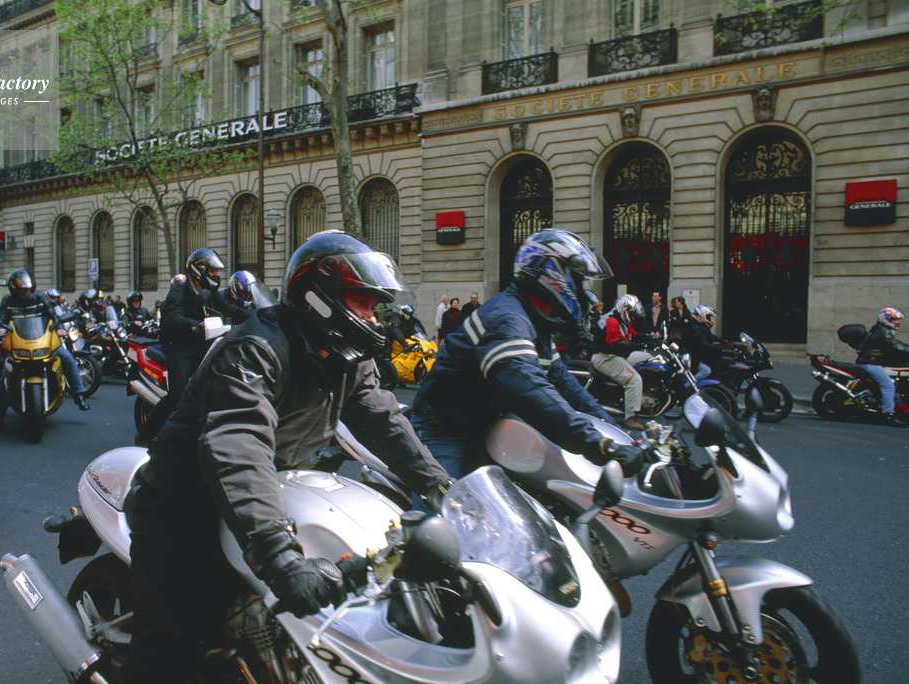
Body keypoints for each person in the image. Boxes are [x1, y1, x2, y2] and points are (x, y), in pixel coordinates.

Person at [123, 230, 451, 683]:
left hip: (259, 496)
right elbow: (238, 442)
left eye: (374, 305)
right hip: (182, 506)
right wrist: (280, 558)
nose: (372, 316)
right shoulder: (257, 348)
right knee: (167, 656)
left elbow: (384, 419)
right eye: (361, 301)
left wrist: (442, 489)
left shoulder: (347, 358)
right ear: (317, 298)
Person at [411, 229, 640, 488]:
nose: (584, 290)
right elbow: (530, 390)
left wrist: (619, 437)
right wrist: (599, 445)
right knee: (448, 506)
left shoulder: (535, 321)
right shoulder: (508, 318)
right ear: (551, 273)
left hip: (486, 426)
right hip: (443, 431)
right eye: (578, 279)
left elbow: (568, 387)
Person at [136, 248, 241, 445]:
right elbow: (172, 317)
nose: (216, 275)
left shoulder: (210, 292)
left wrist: (263, 314)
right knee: (178, 395)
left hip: (205, 343)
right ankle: (144, 438)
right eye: (212, 271)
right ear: (198, 270)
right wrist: (194, 326)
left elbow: (230, 309)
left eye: (216, 271)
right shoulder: (179, 290)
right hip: (181, 346)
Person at [0, 269, 89, 417]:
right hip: (19, 344)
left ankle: (78, 394)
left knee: (66, 357)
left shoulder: (40, 298)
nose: (27, 293)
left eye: (29, 289)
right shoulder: (7, 301)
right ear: (14, 289)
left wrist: (59, 328)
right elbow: (0, 317)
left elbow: (52, 315)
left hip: (42, 341)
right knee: (5, 373)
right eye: (23, 290)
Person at [591, 294, 652, 431]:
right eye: (632, 315)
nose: (633, 318)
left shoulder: (621, 321)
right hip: (605, 357)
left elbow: (634, 335)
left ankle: (641, 397)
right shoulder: (611, 320)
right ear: (624, 310)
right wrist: (639, 345)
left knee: (647, 359)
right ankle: (630, 418)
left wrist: (650, 338)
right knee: (634, 379)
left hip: (615, 355)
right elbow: (616, 343)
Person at [856, 307, 909, 427]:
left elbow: (896, 344)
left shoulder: (881, 329)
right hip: (870, 363)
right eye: (894, 319)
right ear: (885, 318)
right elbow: (896, 345)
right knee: (888, 386)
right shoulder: (883, 331)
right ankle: (888, 415)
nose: (896, 322)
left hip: (871, 362)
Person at [683, 304, 732, 383]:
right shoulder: (695, 328)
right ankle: (688, 385)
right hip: (694, 358)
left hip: (698, 356)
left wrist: (724, 341)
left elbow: (711, 336)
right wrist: (722, 349)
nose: (709, 319)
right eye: (708, 317)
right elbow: (704, 343)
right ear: (702, 316)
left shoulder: (700, 326)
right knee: (706, 371)